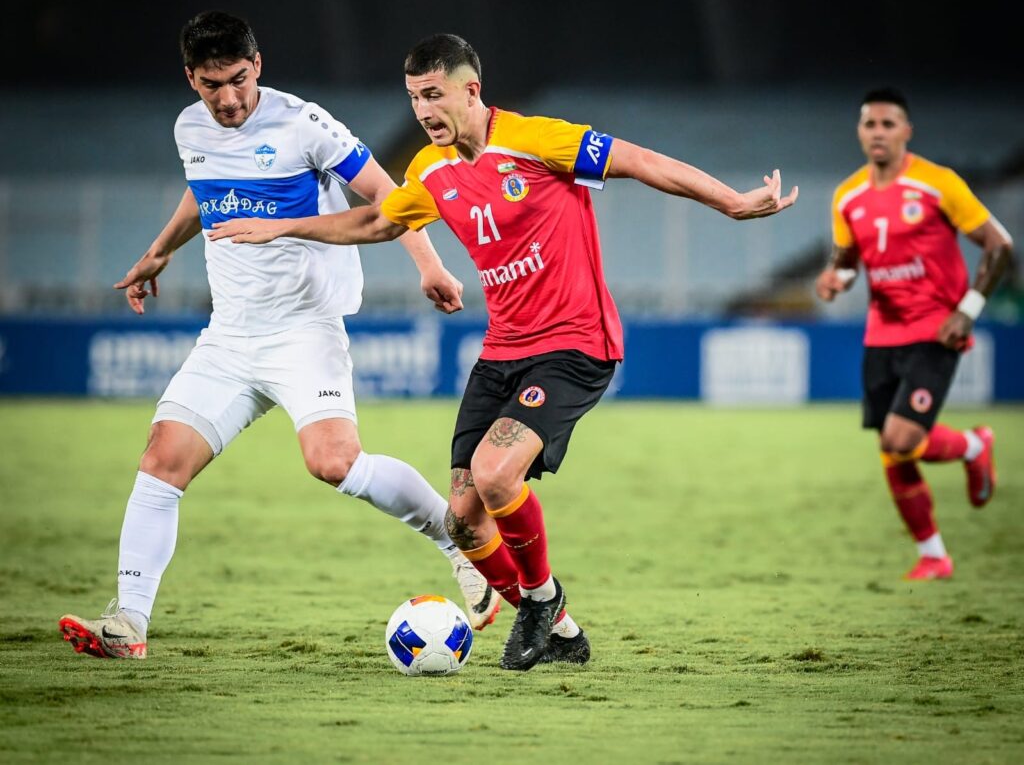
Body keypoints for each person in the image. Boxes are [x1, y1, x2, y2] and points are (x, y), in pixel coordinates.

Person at [209, 33, 798, 670]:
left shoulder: (539, 140)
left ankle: (542, 600)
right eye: (413, 99)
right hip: (502, 351)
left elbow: (640, 161)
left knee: (494, 475)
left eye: (434, 95)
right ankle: (565, 634)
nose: (424, 111)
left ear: (471, 91)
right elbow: (378, 222)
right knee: (462, 520)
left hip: (575, 344)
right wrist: (283, 225)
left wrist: (733, 201)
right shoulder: (429, 171)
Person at [58, 13, 501, 660]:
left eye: (239, 80)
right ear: (192, 79)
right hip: (230, 336)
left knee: (334, 463)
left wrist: (429, 264)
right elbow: (202, 190)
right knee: (161, 462)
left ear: (257, 65)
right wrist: (159, 252)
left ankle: (453, 535)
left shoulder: (303, 123)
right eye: (213, 85)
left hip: (304, 329)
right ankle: (127, 621)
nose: (229, 98)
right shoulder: (191, 128)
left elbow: (388, 195)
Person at [815, 87, 1013, 581]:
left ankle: (972, 446)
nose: (878, 133)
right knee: (891, 449)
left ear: (907, 131)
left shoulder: (938, 183)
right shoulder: (848, 194)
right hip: (881, 335)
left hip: (936, 329)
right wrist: (836, 278)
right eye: (869, 124)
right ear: (860, 133)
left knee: (901, 436)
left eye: (888, 124)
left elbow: (1000, 246)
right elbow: (847, 261)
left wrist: (967, 311)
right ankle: (934, 556)